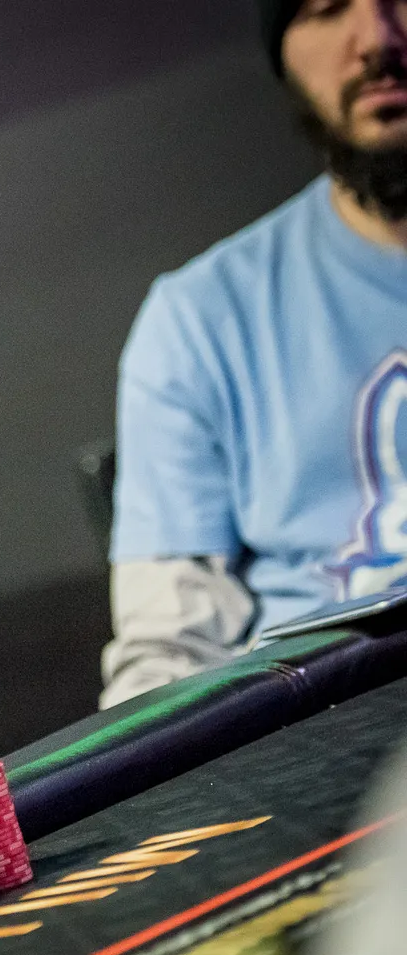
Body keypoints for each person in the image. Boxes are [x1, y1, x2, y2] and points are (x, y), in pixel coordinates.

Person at [101, 0, 407, 709]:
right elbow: (167, 655)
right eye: (327, 8)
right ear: (285, 59)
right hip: (331, 729)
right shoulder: (199, 318)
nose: (377, 38)